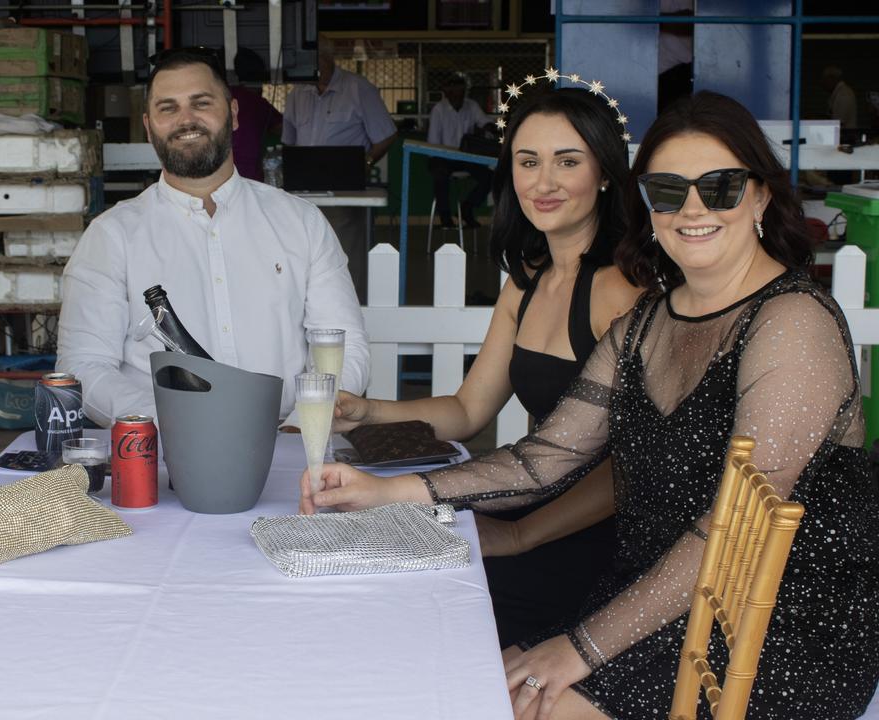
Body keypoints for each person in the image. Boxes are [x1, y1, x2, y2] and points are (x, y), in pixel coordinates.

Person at [304, 91, 879, 719]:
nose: (691, 209)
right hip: (658, 596)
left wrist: (579, 649)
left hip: (776, 620)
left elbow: (735, 529)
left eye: (720, 187)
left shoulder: (791, 321)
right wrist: (383, 491)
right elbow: (542, 459)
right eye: (667, 190)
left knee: (525, 703)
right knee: (473, 681)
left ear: (762, 195)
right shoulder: (646, 324)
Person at [335, 86, 642, 648]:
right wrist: (367, 410)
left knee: (428, 612)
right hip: (528, 502)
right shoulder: (527, 279)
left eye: (567, 162)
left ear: (604, 174)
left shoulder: (622, 290)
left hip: (601, 538)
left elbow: (634, 467)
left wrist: (522, 534)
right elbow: (467, 409)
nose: (543, 183)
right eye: (528, 162)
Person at [57, 46, 368, 426]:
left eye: (201, 103)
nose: (186, 120)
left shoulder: (301, 222)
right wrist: (179, 427)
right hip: (161, 456)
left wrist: (299, 429)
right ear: (149, 124)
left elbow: (342, 347)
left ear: (233, 113)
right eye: (167, 108)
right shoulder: (111, 236)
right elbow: (85, 366)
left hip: (294, 446)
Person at [282, 43, 398, 300]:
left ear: (329, 59)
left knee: (345, 251)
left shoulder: (359, 89)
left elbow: (386, 135)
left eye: (317, 62)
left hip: (344, 189)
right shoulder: (297, 93)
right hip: (303, 189)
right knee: (301, 250)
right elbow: (289, 141)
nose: (313, 69)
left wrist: (364, 164)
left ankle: (351, 305)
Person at [425, 73, 493, 229]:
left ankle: (467, 208)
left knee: (490, 177)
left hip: (465, 157)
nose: (458, 96)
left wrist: (488, 127)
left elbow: (484, 121)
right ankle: (445, 217)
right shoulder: (439, 110)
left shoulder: (471, 105)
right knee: (440, 174)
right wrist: (446, 155)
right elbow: (433, 143)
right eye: (454, 92)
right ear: (447, 93)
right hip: (441, 156)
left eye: (461, 92)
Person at [229, 46, 282, 182]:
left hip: (220, 177)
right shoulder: (257, 102)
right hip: (249, 179)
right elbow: (282, 128)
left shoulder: (222, 96)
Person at [822, 66, 858, 130]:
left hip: (844, 137)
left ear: (832, 79)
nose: (823, 84)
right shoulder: (838, 93)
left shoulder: (844, 94)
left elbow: (839, 122)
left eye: (825, 80)